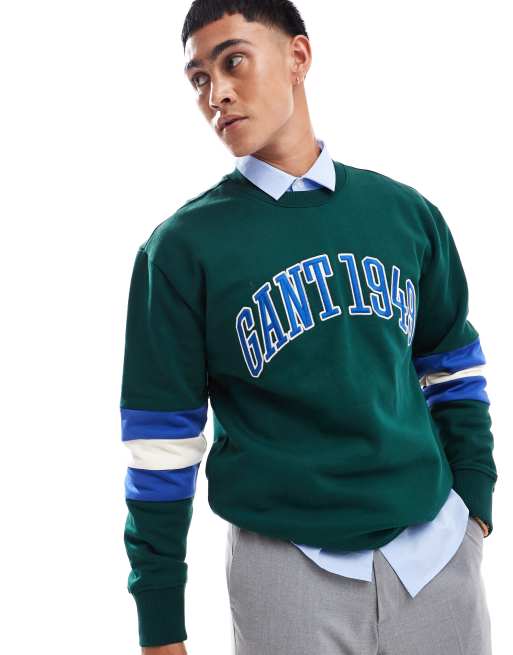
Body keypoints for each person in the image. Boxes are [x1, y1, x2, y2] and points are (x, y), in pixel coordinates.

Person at [119, 1, 498, 653]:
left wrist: (475, 504)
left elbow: (451, 367)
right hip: (287, 570)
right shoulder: (180, 249)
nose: (217, 93)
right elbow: (161, 443)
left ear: (298, 56)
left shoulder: (404, 213)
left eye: (234, 61)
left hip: (437, 557)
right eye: (199, 79)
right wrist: (159, 621)